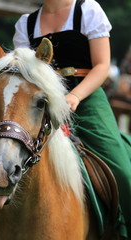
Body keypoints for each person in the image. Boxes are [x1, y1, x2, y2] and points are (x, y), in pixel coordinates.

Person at [13, 0, 131, 238]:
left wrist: (75, 96)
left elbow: (102, 66)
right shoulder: (25, 24)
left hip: (86, 97)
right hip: (40, 102)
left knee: (122, 168)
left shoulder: (88, 10)